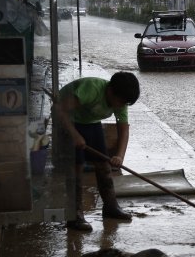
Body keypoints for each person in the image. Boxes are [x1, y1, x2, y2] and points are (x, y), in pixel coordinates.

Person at [53, 72, 141, 231]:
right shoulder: (91, 89)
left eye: (124, 103)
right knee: (76, 166)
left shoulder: (121, 101)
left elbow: (123, 129)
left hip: (90, 122)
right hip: (67, 119)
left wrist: (119, 156)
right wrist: (74, 135)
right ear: (110, 91)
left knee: (104, 165)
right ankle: (74, 215)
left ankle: (110, 207)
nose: (121, 106)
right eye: (120, 101)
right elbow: (59, 109)